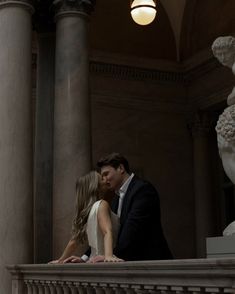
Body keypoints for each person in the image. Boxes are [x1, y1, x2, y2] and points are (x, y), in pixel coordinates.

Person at [66, 152, 172, 262]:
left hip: (151, 263)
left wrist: (110, 256)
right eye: (102, 176)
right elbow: (103, 235)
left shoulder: (142, 190)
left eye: (106, 174)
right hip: (129, 265)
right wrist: (85, 258)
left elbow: (133, 230)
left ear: (121, 168)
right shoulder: (115, 199)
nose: (104, 180)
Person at [49, 170, 123, 264]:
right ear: (95, 186)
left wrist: (60, 260)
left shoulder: (89, 211)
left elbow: (73, 242)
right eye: (101, 178)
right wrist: (109, 256)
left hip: (93, 261)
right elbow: (106, 231)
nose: (105, 179)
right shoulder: (102, 204)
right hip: (104, 261)